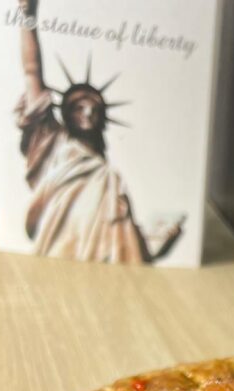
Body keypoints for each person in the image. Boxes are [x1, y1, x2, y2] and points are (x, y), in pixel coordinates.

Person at [16, 0, 183, 263]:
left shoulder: (110, 180)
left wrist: (156, 239)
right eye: (78, 108)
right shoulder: (55, 142)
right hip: (60, 245)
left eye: (94, 108)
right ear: (66, 116)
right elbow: (31, 71)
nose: (87, 113)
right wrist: (27, 17)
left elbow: (125, 245)